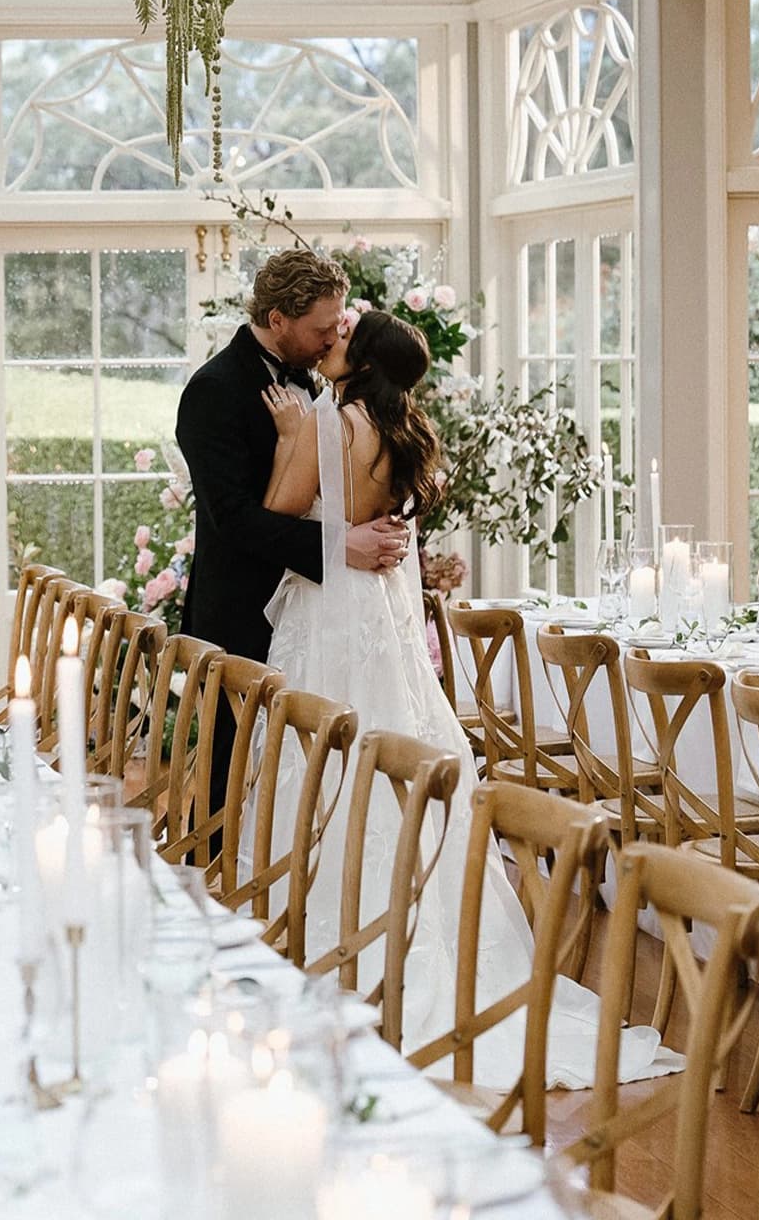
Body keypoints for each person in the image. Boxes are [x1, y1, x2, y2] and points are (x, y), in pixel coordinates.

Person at [254, 303, 676, 1090]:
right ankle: (401, 948)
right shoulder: (403, 432)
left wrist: (285, 441)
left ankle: (333, 954)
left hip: (330, 617)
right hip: (378, 621)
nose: (335, 338)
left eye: (347, 337)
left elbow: (279, 509)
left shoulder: (322, 420)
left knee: (324, 774)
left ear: (365, 363)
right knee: (392, 761)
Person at [175, 249, 411, 799]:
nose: (333, 341)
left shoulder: (321, 384)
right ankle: (216, 885)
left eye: (338, 327)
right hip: (240, 618)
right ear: (277, 319)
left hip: (314, 618)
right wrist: (338, 545)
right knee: (230, 784)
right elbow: (231, 520)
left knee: (308, 781)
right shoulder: (213, 391)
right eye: (322, 329)